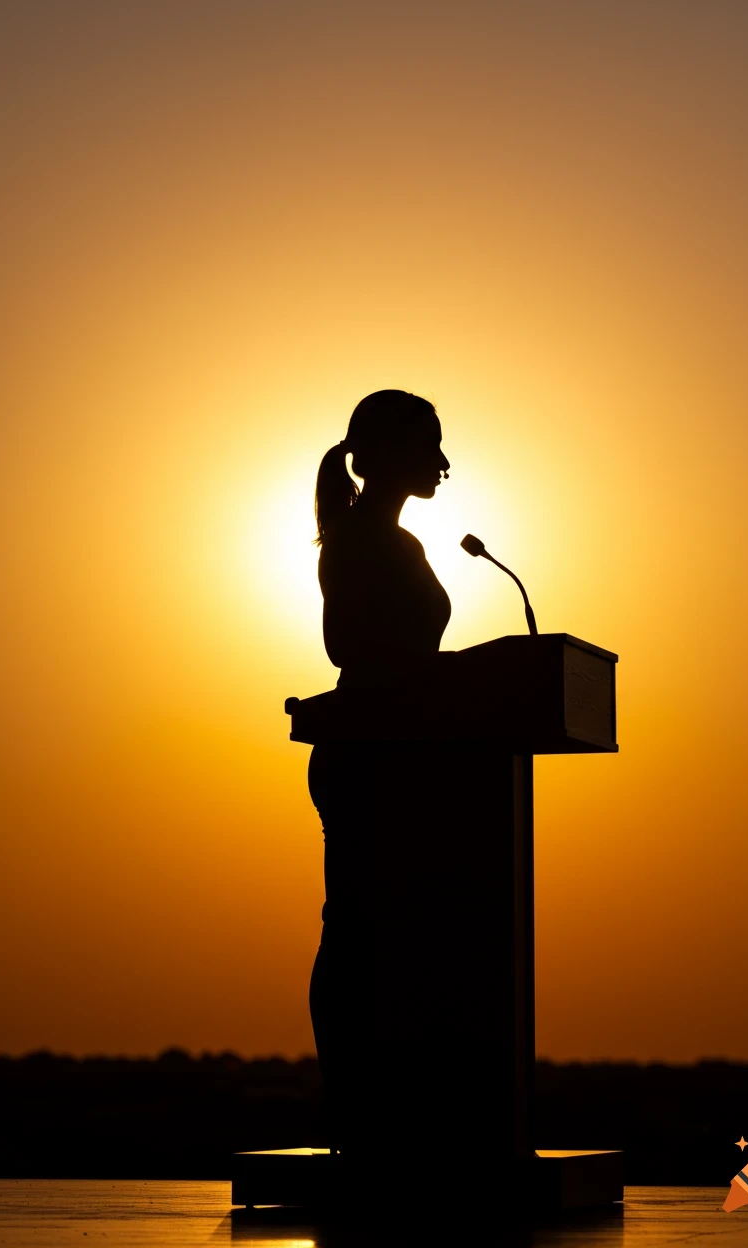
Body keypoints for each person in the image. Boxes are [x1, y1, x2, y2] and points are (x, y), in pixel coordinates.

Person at [307, 389, 452, 1157]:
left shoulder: (403, 544)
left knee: (389, 932)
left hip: (406, 756)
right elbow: (344, 649)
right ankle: (350, 1108)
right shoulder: (359, 539)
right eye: (431, 447)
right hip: (367, 756)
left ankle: (387, 1108)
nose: (444, 464)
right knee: (356, 929)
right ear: (390, 454)